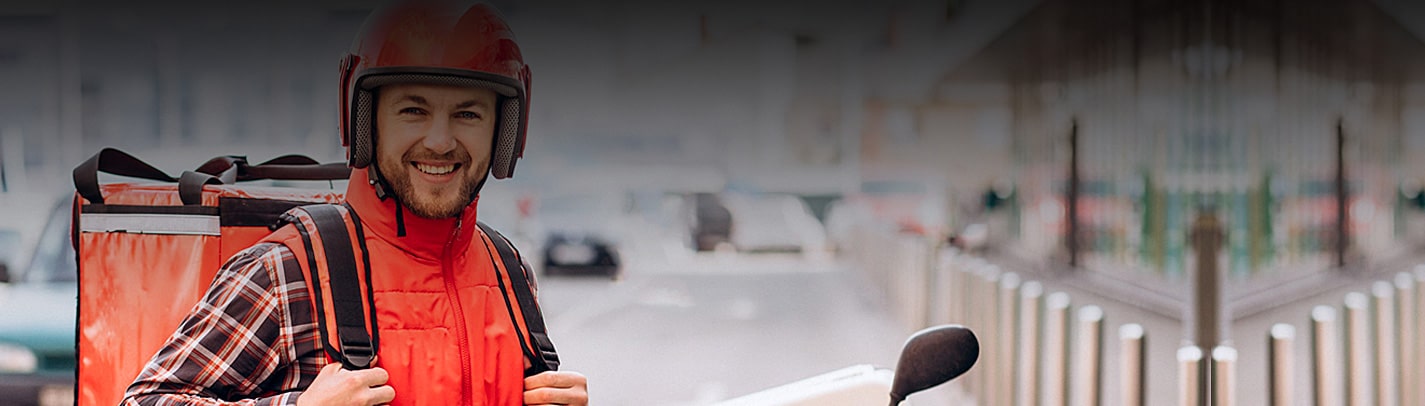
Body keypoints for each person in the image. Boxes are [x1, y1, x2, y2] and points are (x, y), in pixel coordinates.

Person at [121, 1, 589, 404]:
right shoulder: (287, 272)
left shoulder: (509, 272)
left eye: (468, 113)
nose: (440, 141)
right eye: (413, 110)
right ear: (367, 123)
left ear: (503, 133)